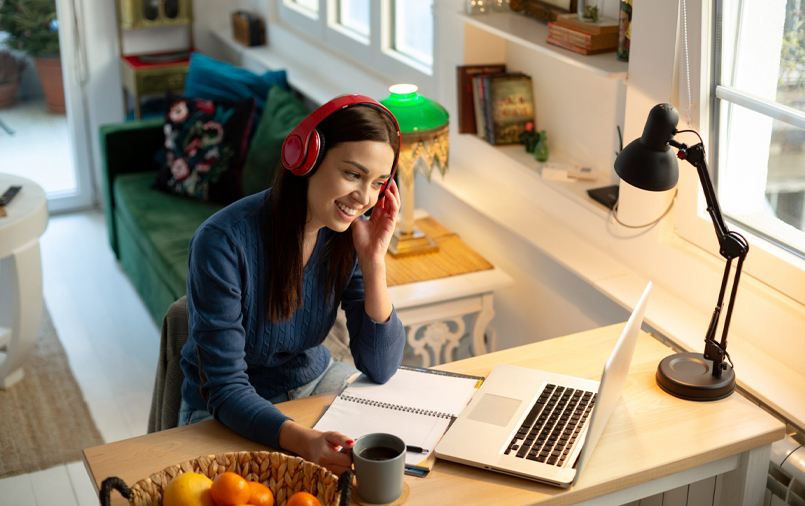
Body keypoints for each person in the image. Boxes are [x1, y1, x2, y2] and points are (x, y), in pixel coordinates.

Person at [177, 95, 406, 476]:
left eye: (378, 183)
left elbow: (380, 367)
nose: (364, 198)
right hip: (227, 409)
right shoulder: (221, 242)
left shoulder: (346, 235)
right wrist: (305, 442)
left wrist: (373, 262)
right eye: (353, 174)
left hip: (312, 382)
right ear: (307, 158)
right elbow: (225, 388)